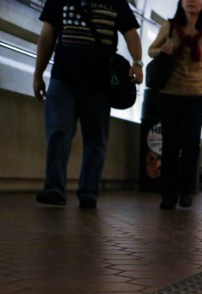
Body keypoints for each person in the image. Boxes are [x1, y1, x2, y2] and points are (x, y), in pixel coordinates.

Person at [33, 0, 143, 209]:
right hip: (63, 79)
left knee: (96, 140)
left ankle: (89, 192)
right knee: (58, 132)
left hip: (99, 84)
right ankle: (55, 190)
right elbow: (47, 35)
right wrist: (38, 74)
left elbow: (131, 33)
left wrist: (137, 62)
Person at [148, 0, 202, 210]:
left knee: (190, 143)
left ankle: (186, 190)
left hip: (197, 96)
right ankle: (168, 194)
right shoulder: (169, 27)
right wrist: (163, 49)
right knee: (170, 144)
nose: (191, 2)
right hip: (170, 94)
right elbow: (151, 50)